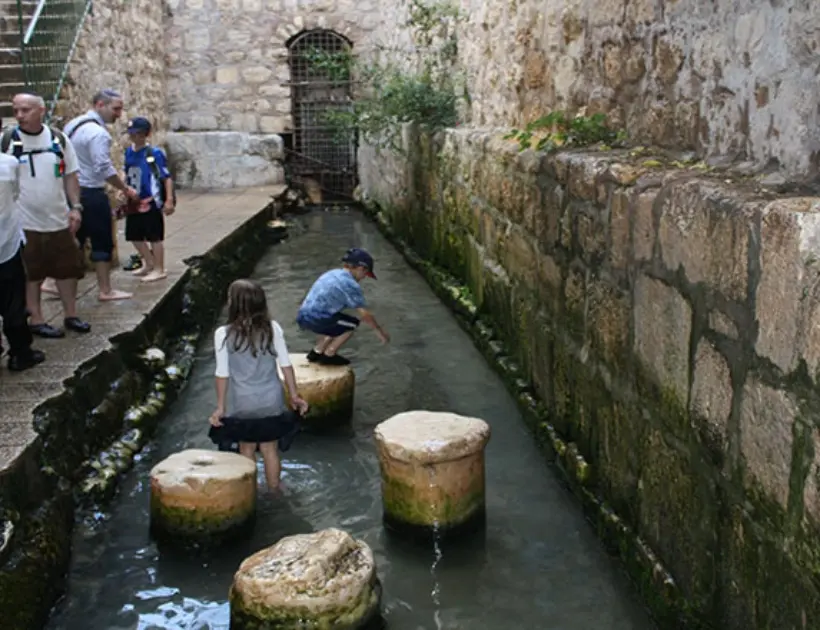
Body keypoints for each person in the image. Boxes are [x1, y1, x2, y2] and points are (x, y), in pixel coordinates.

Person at [1, 93, 90, 339]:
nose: (19, 115)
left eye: (25, 110)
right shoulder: (7, 141)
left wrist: (76, 207)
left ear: (41, 110)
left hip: (58, 217)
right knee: (32, 272)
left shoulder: (58, 140)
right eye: (16, 110)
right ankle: (37, 318)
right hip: (23, 221)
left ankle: (71, 314)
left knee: (67, 269)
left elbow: (69, 174)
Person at [209, 279, 310, 491]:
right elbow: (285, 365)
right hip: (271, 400)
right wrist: (294, 395)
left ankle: (250, 491)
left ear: (234, 304)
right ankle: (274, 490)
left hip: (243, 402)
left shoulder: (223, 334)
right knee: (270, 449)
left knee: (246, 448)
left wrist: (220, 407)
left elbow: (222, 374)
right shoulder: (272, 329)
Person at [63, 88, 138, 301]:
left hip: (71, 191)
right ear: (100, 105)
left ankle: (52, 282)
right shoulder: (99, 134)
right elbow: (103, 167)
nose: (119, 114)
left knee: (73, 238)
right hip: (91, 192)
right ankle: (105, 289)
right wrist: (124, 188)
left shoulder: (73, 125)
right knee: (102, 240)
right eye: (116, 109)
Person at [296, 247, 390, 366]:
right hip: (318, 318)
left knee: (337, 322)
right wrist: (379, 332)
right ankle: (329, 354)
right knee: (352, 324)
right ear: (361, 268)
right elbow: (365, 314)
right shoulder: (350, 284)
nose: (364, 277)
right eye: (365, 273)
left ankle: (316, 352)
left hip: (303, 316)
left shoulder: (332, 273)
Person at [0, 131, 44, 370]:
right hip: (5, 241)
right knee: (13, 301)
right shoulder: (8, 164)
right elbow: (16, 194)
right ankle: (20, 352)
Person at [122, 116, 175, 282]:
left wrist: (169, 200)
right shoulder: (129, 151)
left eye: (139, 134)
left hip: (150, 200)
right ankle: (148, 262)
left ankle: (160, 268)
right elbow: (126, 171)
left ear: (146, 135)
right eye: (132, 134)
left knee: (154, 236)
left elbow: (166, 177)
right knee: (134, 235)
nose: (135, 137)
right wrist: (123, 187)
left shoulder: (154, 154)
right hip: (134, 200)